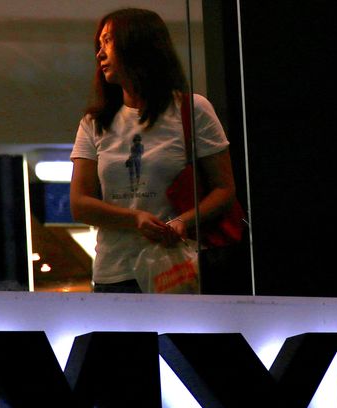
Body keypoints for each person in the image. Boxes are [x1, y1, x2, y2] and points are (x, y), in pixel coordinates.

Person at [70, 8, 236, 293]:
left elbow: (224, 189)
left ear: (137, 43)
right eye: (99, 44)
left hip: (179, 265)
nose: (100, 54)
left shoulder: (192, 110)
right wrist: (135, 219)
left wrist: (182, 221)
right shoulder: (95, 123)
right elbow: (79, 203)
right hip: (116, 272)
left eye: (108, 41)